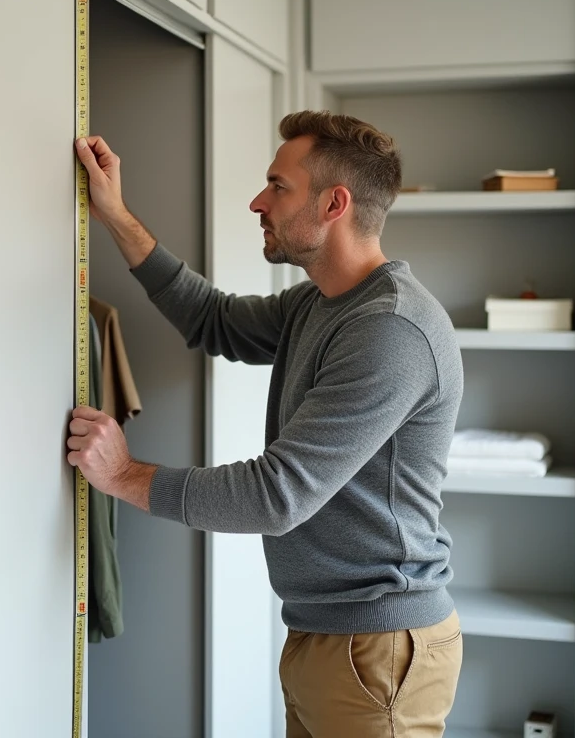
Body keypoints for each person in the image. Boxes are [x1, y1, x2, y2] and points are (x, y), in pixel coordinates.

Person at [69, 111, 464, 738]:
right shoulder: (321, 303)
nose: (259, 202)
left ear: (334, 204)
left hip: (377, 645)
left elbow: (277, 496)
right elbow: (214, 319)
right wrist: (115, 214)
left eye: (278, 186)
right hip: (330, 635)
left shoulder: (389, 330)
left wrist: (121, 475)